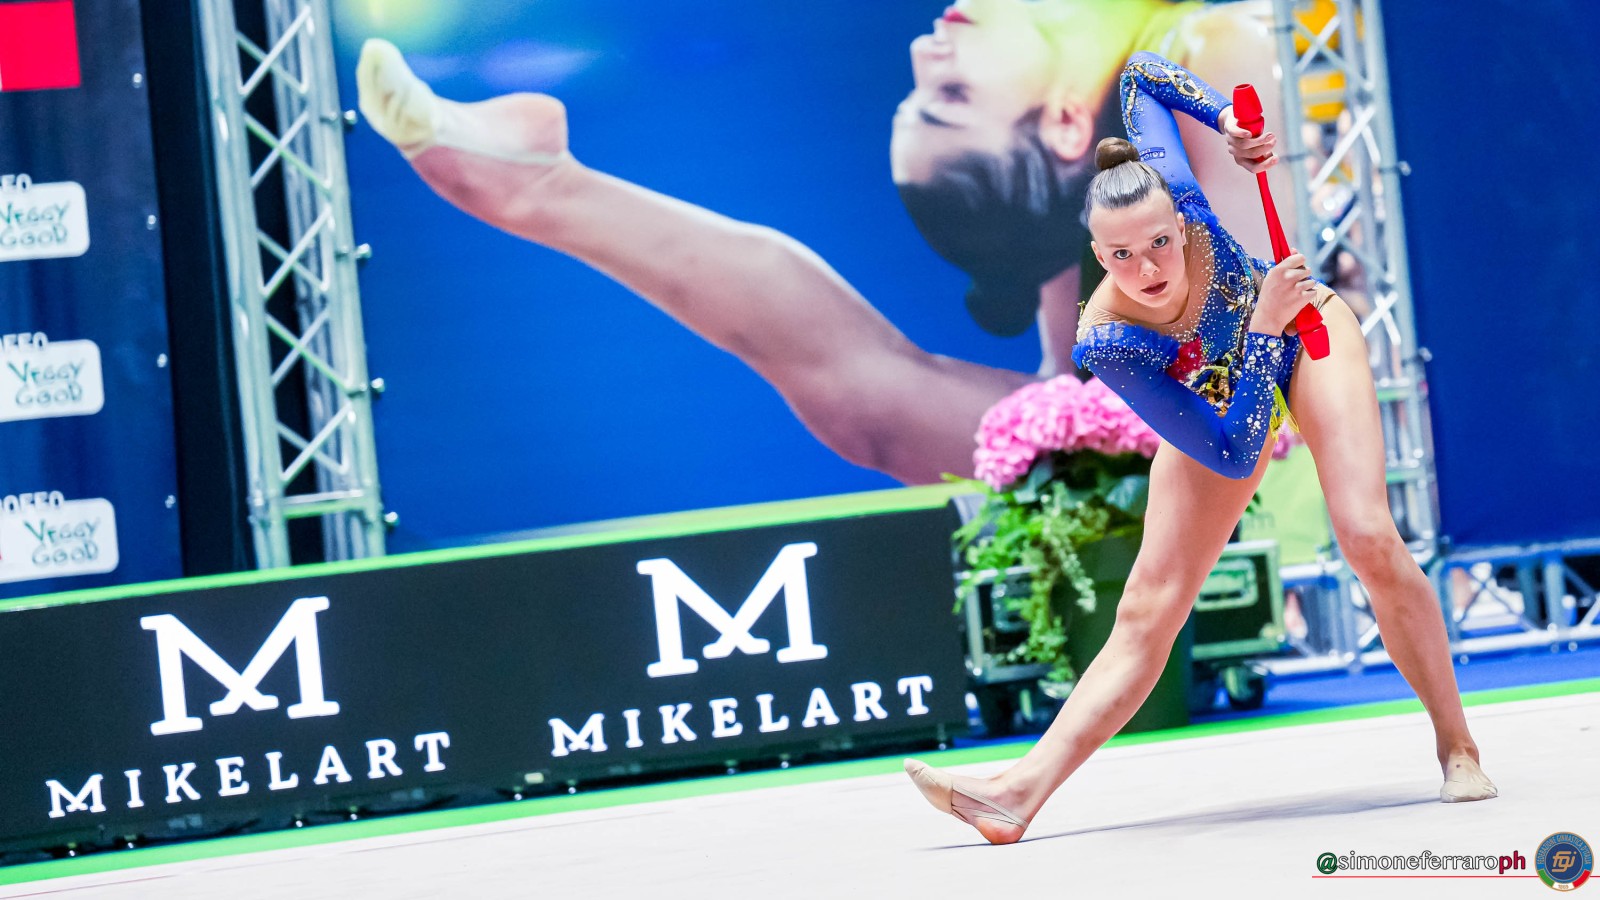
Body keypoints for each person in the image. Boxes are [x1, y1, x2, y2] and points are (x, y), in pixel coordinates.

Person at [902, 54, 1498, 845]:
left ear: (1181, 221)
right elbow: (1233, 451)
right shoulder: (1108, 340)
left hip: (1306, 333)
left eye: (1159, 244)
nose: (1146, 268)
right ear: (1097, 254)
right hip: (1231, 391)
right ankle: (1015, 795)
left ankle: (1457, 745)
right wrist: (1260, 330)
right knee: (1147, 606)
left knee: (1365, 534)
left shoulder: (1182, 195)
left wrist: (1226, 122)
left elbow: (1141, 76)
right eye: (1121, 256)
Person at [352, 0, 1296, 484]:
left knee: (877, 400)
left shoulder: (1181, 57)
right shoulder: (1187, 56)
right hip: (1195, 429)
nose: (923, 51)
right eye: (948, 96)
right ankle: (543, 186)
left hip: (1228, 433)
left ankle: (544, 188)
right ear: (1060, 122)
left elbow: (1254, 340)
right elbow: (1195, 346)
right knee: (877, 398)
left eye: (940, 96)